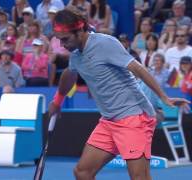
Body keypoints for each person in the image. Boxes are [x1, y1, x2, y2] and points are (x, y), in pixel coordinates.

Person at [48, 8, 190, 180]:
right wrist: (58, 101)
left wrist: (163, 96)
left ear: (79, 31)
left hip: (134, 117)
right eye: (59, 40)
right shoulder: (76, 55)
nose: (62, 45)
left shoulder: (105, 43)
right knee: (82, 172)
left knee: (139, 177)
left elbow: (139, 69)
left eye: (65, 39)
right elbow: (68, 75)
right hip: (109, 121)